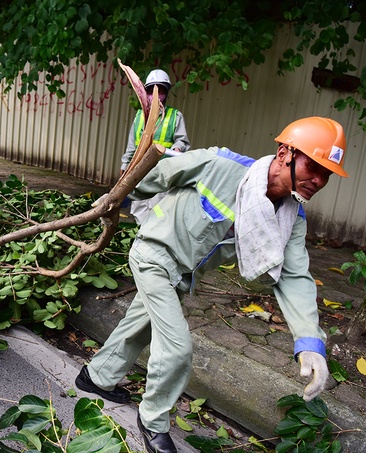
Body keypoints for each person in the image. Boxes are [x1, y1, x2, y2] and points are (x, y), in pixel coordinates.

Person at [76, 117, 348, 453]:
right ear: (284, 153)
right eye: (314, 166)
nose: (319, 180)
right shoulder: (221, 165)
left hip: (183, 273)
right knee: (177, 348)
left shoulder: (289, 218)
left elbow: (293, 276)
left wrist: (309, 341)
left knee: (140, 324)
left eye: (327, 174)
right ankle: (152, 420)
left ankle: (95, 377)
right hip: (153, 254)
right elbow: (158, 175)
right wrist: (116, 199)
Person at [120, 69, 190, 224]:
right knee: (139, 207)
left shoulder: (175, 116)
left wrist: (178, 148)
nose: (156, 94)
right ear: (146, 93)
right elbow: (132, 146)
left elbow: (182, 141)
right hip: (139, 172)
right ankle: (140, 235)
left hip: (162, 173)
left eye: (160, 90)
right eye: (151, 90)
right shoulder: (140, 117)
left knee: (158, 210)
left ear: (166, 93)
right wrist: (125, 166)